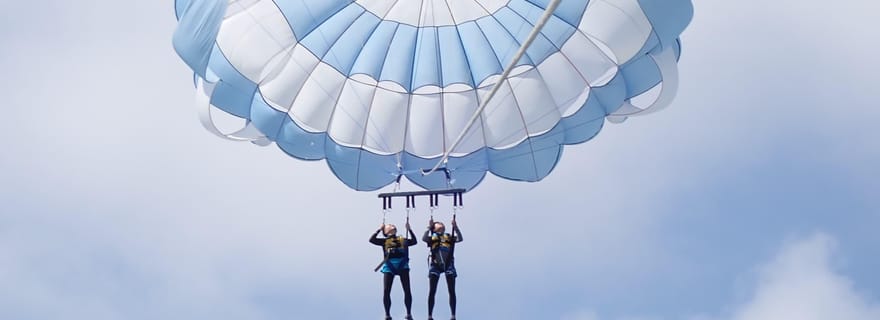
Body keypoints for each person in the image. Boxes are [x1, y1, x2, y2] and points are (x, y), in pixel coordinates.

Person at [370, 223, 417, 320]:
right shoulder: (384, 241)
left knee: (407, 289)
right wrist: (379, 229)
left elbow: (414, 241)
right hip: (389, 266)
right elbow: (372, 240)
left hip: (402, 264)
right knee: (386, 291)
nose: (392, 226)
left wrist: (410, 230)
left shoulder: (403, 240)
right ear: (385, 232)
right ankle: (387, 314)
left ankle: (409, 313)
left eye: (393, 225)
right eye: (389, 226)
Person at [423, 218, 463, 320]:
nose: (441, 225)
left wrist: (456, 227)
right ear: (434, 228)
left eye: (442, 224)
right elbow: (424, 238)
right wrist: (429, 227)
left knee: (451, 289)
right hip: (436, 264)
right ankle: (430, 315)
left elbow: (460, 239)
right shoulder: (432, 237)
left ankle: (453, 315)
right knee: (432, 290)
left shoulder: (449, 237)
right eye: (438, 224)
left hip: (448, 263)